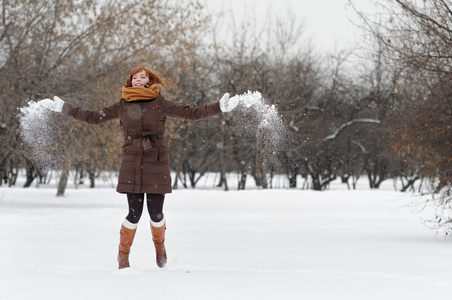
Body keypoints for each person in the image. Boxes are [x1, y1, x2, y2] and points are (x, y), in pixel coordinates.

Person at [41, 67, 239, 269]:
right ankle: (123, 257)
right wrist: (65, 108)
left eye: (142, 76)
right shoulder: (122, 104)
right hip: (132, 161)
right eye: (134, 77)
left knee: (156, 214)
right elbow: (93, 117)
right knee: (133, 214)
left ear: (149, 81)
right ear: (130, 81)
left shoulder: (160, 103)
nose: (138, 79)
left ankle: (160, 247)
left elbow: (192, 113)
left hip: (157, 160)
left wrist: (219, 107)